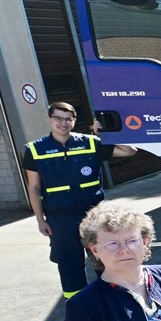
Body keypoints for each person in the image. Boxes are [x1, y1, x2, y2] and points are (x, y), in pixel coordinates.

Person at [22, 101, 136, 299]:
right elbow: (33, 187)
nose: (63, 123)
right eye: (58, 118)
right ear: (49, 119)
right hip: (60, 219)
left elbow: (129, 151)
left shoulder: (90, 142)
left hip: (94, 216)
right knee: (69, 265)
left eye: (68, 119)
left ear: (74, 121)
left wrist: (105, 134)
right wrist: (40, 220)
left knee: (105, 259)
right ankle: (77, 308)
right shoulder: (35, 149)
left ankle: (115, 302)